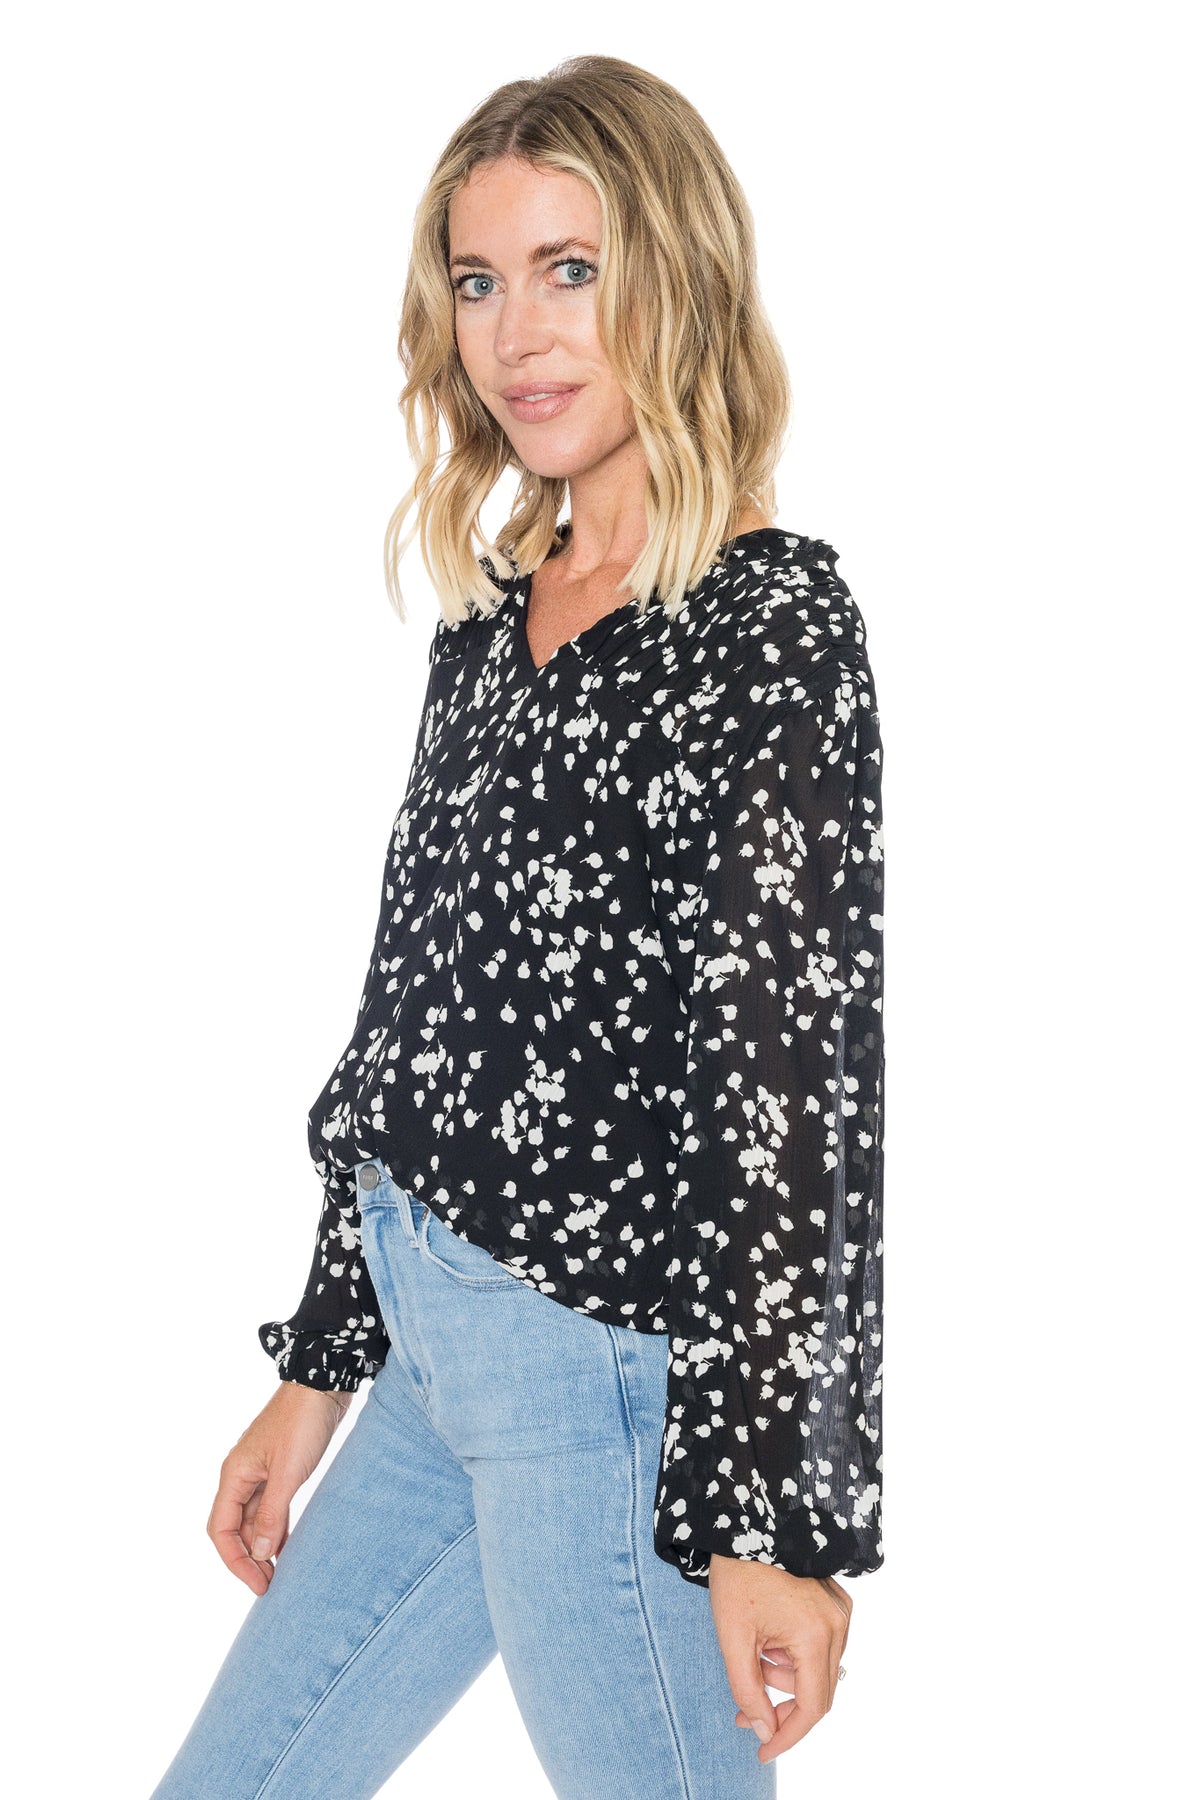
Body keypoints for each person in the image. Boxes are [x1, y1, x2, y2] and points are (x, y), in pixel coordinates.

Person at [150, 52, 885, 1800]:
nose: (519, 334)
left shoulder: (765, 626)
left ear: (675, 280)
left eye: (571, 270)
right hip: (426, 1363)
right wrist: (318, 1368)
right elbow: (408, 1019)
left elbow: (786, 1098)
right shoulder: (486, 628)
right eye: (479, 283)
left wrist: (767, 1518)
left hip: (598, 1389)